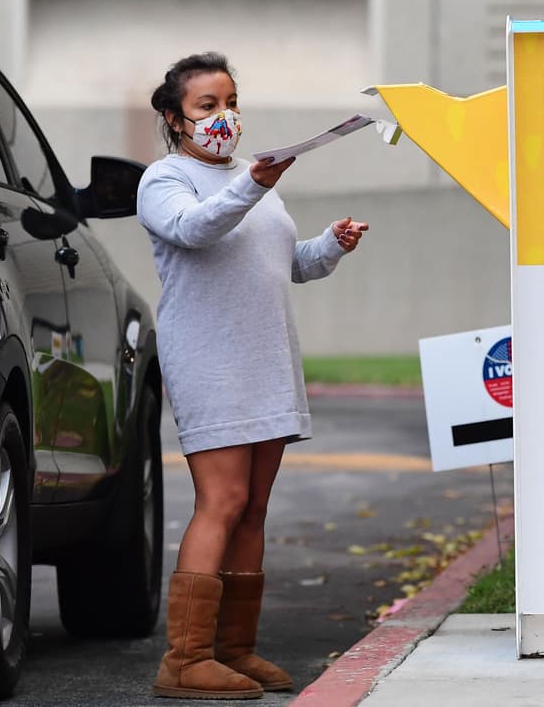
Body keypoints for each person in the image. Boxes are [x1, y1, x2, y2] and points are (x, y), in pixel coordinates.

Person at [136, 52, 368, 701]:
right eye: (207, 106)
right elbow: (193, 231)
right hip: (209, 359)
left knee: (254, 508)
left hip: (265, 358)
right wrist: (255, 186)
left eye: (231, 102)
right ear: (174, 118)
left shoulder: (252, 176)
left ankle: (233, 649)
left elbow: (287, 263)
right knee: (223, 501)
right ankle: (185, 659)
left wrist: (331, 244)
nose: (224, 116)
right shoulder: (164, 179)